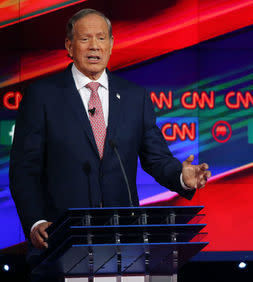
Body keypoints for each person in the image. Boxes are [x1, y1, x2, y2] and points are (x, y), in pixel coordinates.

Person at [9, 8, 210, 257]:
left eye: (102, 38)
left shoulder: (135, 97)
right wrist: (35, 221)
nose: (94, 46)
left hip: (123, 241)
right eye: (85, 39)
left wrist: (181, 177)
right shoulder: (42, 96)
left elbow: (156, 158)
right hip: (60, 238)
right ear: (69, 46)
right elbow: (24, 169)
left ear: (112, 44)